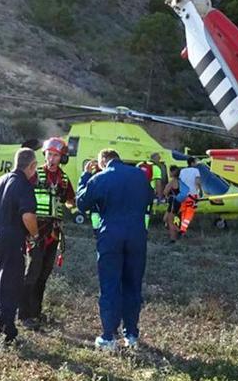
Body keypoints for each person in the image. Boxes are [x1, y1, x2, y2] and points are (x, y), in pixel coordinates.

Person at [77, 149, 154, 351]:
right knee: (133, 284)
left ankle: (109, 337)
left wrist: (85, 176)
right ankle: (132, 335)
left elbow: (82, 204)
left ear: (103, 161)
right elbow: (149, 199)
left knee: (110, 285)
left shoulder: (99, 178)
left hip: (110, 236)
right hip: (137, 236)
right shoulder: (139, 175)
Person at [0, 147, 39, 345]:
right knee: (10, 284)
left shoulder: (0, 180)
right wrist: (34, 234)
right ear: (32, 166)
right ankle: (6, 333)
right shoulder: (24, 185)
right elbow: (28, 215)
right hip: (11, 237)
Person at [20, 137, 75, 331]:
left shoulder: (64, 178)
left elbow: (71, 200)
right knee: (32, 272)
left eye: (56, 156)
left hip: (54, 233)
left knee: (44, 274)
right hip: (36, 231)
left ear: (62, 158)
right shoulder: (36, 174)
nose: (51, 159)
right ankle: (24, 314)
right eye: (49, 154)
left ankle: (35, 311)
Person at [176, 157, 203, 235]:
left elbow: (180, 182)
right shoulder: (196, 171)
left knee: (183, 211)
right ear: (192, 163)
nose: (196, 164)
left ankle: (182, 228)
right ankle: (183, 229)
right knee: (189, 212)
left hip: (183, 194)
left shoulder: (182, 171)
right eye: (195, 162)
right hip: (192, 194)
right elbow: (197, 182)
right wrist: (200, 191)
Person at [162, 165, 181, 243]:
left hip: (173, 202)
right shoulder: (180, 181)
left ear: (173, 172)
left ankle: (173, 239)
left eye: (170, 171)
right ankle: (179, 231)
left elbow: (165, 192)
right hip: (177, 202)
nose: (169, 173)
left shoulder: (172, 181)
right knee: (165, 219)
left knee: (170, 220)